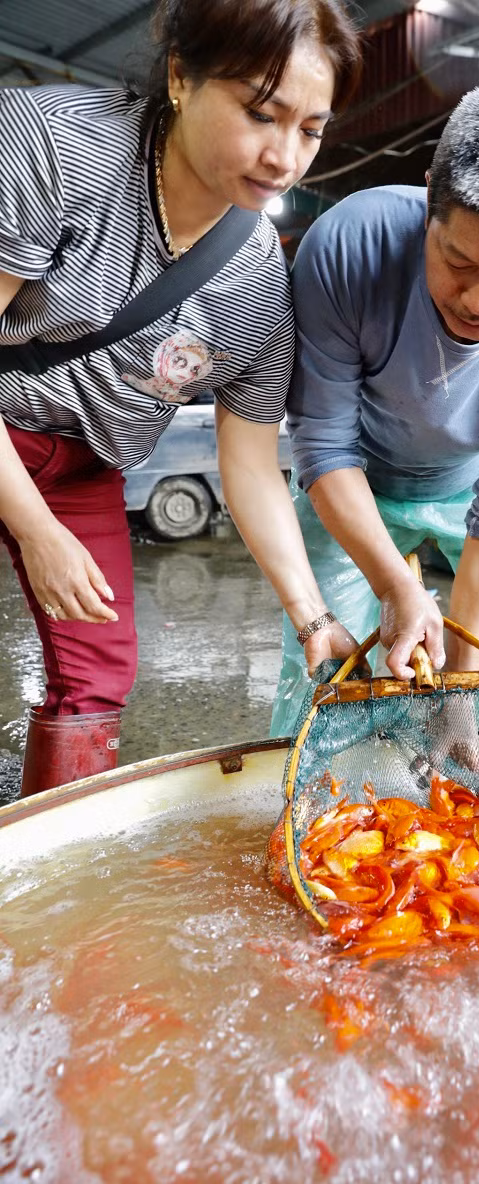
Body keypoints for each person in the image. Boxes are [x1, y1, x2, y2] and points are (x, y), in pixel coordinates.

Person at [0, 0, 362, 796]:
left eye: (310, 129)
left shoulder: (260, 284)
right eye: (260, 113)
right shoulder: (53, 145)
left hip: (83, 466)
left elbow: (252, 466)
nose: (283, 157)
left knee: (98, 672)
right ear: (180, 77)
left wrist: (312, 617)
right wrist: (35, 530)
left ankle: (51, 850)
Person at [269, 79, 479, 734]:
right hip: (351, 482)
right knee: (322, 665)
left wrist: (461, 685)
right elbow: (324, 442)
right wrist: (396, 587)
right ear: (430, 198)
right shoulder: (351, 246)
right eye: (457, 260)